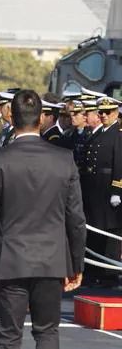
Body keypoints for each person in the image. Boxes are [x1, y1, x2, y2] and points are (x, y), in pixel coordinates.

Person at [0, 89, 86, 349]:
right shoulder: (63, 159)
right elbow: (75, 218)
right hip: (51, 259)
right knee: (47, 332)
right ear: (41, 118)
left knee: (9, 336)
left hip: (11, 259)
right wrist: (76, 264)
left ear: (12, 117)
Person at [81, 97, 122, 288]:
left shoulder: (118, 134)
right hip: (95, 189)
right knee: (96, 230)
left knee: (109, 232)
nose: (103, 115)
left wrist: (117, 189)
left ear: (116, 113)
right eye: (101, 112)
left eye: (108, 112)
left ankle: (109, 274)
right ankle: (95, 271)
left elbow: (119, 164)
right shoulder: (99, 134)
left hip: (108, 190)